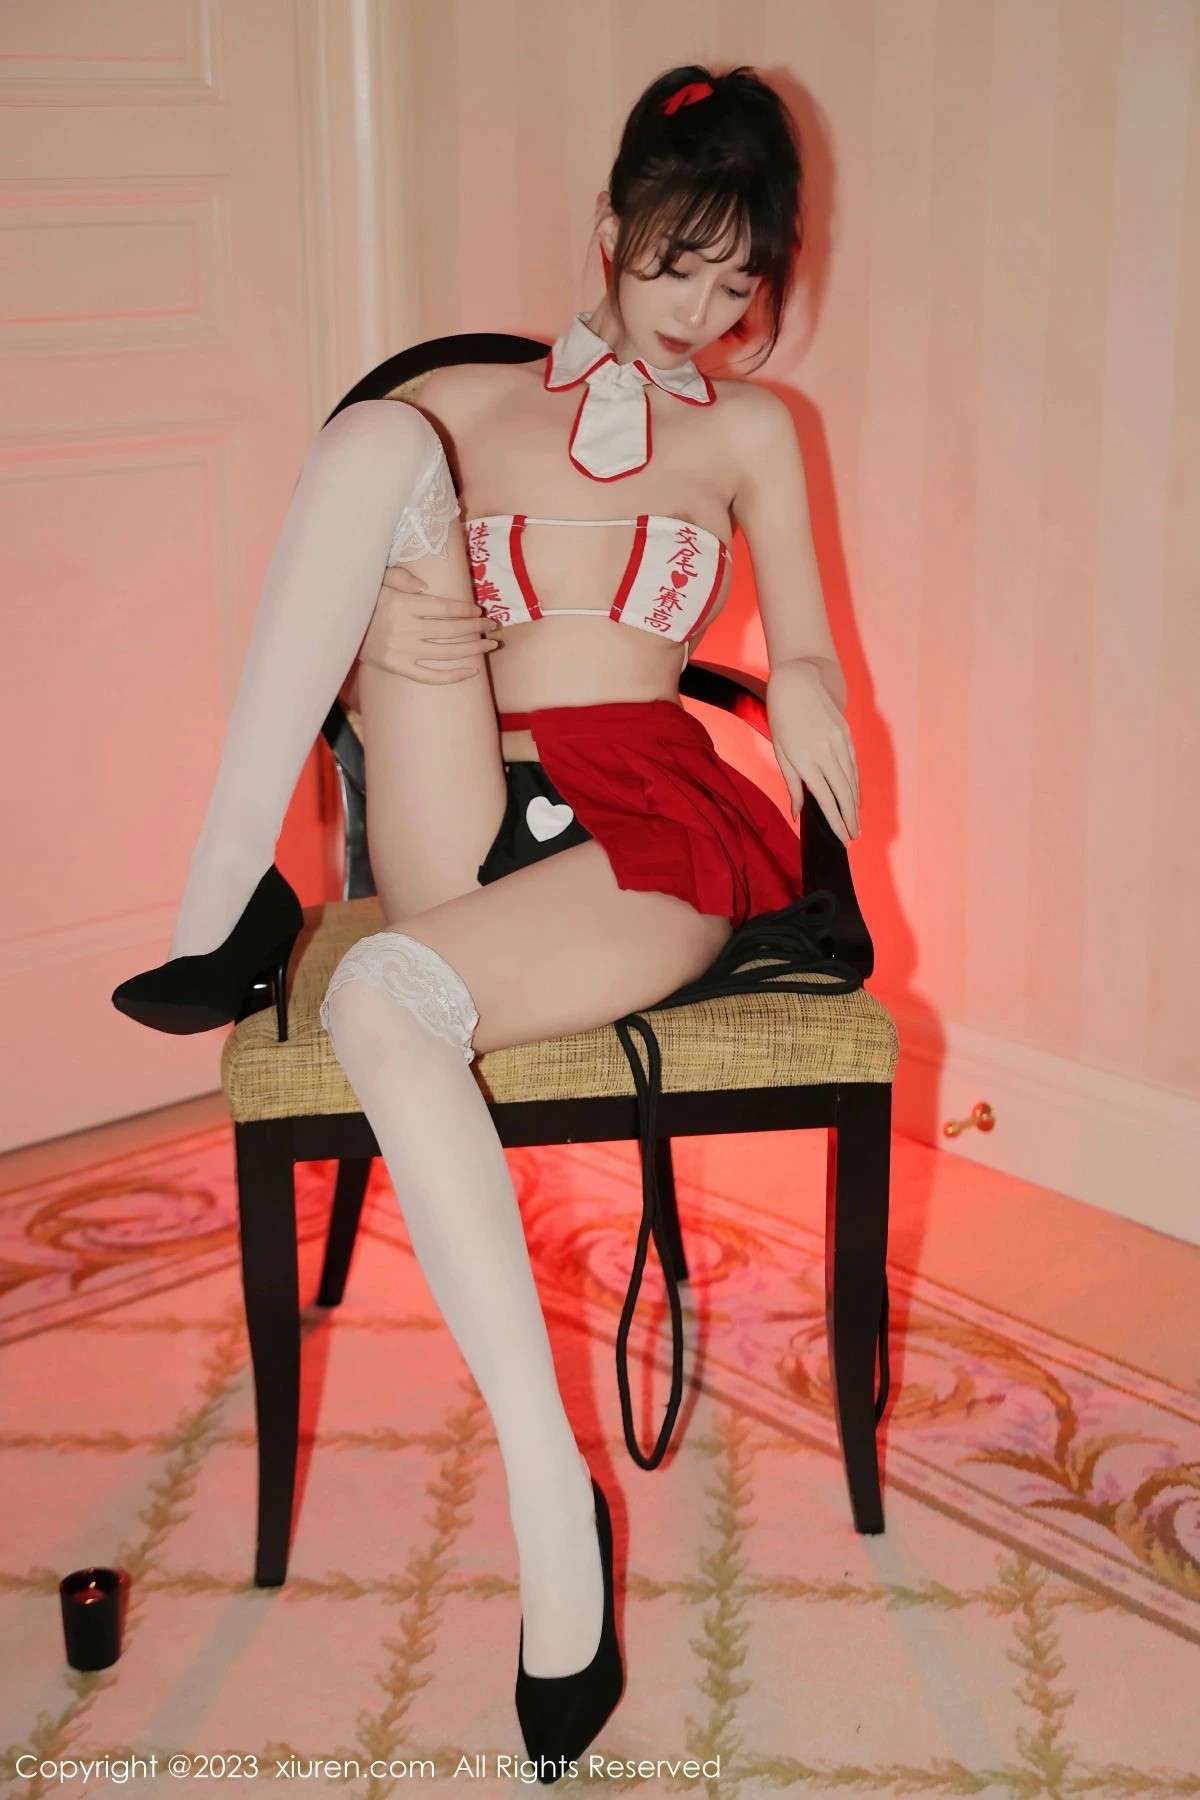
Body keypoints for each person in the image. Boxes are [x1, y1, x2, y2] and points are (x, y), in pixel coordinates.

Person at [111, 63, 860, 1783]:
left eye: (738, 281)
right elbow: (325, 601)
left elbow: (806, 636)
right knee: (377, 440)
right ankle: (227, 900)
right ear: (607, 228)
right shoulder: (462, 403)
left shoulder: (755, 431)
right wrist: (383, 651)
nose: (703, 311)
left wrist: (813, 692)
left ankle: (551, 1507)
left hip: (645, 816)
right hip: (465, 786)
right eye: (674, 262)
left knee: (380, 997)